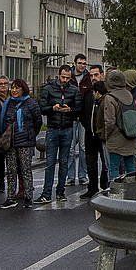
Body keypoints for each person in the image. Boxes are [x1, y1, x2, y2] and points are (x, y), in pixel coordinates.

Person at [37, 64, 82, 203]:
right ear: (59, 75)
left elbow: (79, 108)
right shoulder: (49, 89)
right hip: (53, 128)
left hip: (67, 128)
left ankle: (60, 192)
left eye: (68, 78)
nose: (65, 80)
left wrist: (70, 110)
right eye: (63, 77)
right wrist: (53, 108)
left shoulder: (74, 90)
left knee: (64, 161)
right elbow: (42, 107)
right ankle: (46, 193)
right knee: (50, 163)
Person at [0, 79, 41, 208]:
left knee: (25, 169)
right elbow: (3, 120)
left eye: (18, 88)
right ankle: (10, 197)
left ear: (23, 89)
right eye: (13, 88)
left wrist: (30, 135)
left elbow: (37, 122)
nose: (14, 90)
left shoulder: (31, 103)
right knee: (11, 170)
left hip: (25, 142)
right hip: (10, 142)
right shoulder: (8, 103)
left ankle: (28, 196)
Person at [102, 69, 136, 181]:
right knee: (131, 169)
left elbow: (109, 121)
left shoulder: (110, 97)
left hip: (115, 139)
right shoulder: (129, 94)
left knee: (114, 168)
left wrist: (105, 136)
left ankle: (115, 193)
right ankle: (132, 193)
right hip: (131, 136)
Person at [79, 65, 109, 199]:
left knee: (105, 160)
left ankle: (105, 183)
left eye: (96, 75)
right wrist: (87, 125)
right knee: (90, 160)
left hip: (102, 134)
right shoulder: (88, 94)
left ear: (102, 75)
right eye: (91, 75)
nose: (93, 78)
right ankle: (92, 187)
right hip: (89, 132)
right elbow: (83, 112)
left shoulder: (106, 93)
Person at [65, 53, 91, 187]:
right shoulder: (69, 77)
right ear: (75, 63)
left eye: (84, 63)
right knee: (70, 148)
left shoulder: (88, 77)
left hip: (83, 118)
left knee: (83, 147)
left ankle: (82, 175)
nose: (82, 66)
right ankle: (70, 177)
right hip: (70, 116)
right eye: (80, 63)